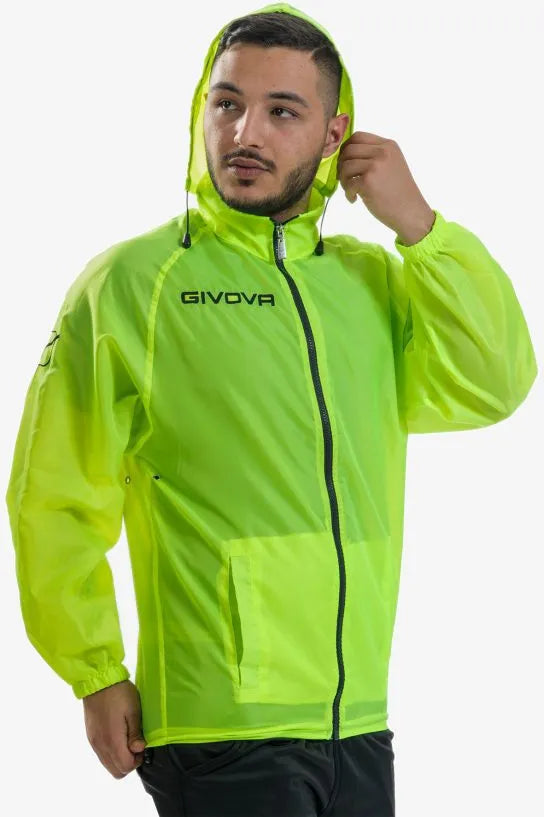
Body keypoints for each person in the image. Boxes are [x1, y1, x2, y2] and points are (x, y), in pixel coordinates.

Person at [5, 4, 538, 817]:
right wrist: (95, 669)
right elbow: (53, 494)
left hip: (357, 720)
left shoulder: (373, 283)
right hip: (219, 724)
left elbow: (492, 382)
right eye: (227, 104)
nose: (244, 132)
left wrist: (421, 229)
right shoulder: (134, 285)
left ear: (334, 135)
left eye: (282, 111)